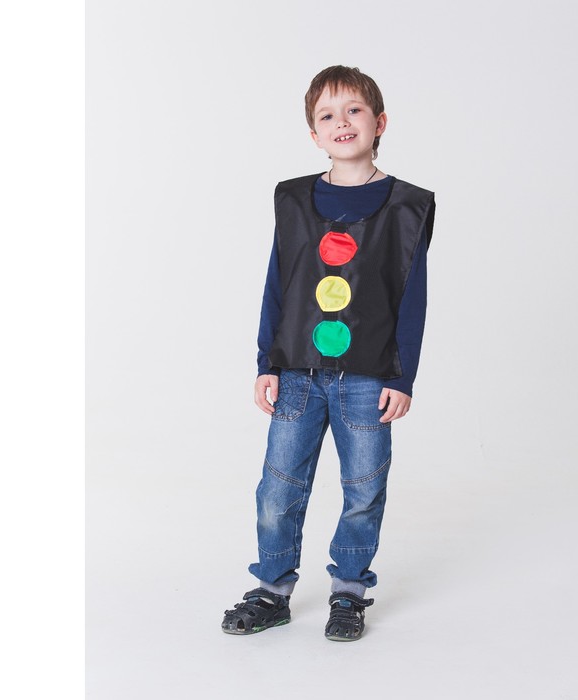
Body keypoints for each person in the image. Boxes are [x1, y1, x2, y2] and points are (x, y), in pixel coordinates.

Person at [222, 65, 435, 641]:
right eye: (327, 115)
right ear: (314, 134)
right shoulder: (293, 200)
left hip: (368, 379)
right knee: (278, 489)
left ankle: (349, 591)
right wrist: (267, 361)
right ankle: (272, 590)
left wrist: (402, 377)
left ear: (379, 122)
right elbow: (278, 283)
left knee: (364, 489)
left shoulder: (407, 207)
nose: (342, 122)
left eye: (354, 110)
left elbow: (412, 297)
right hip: (297, 374)